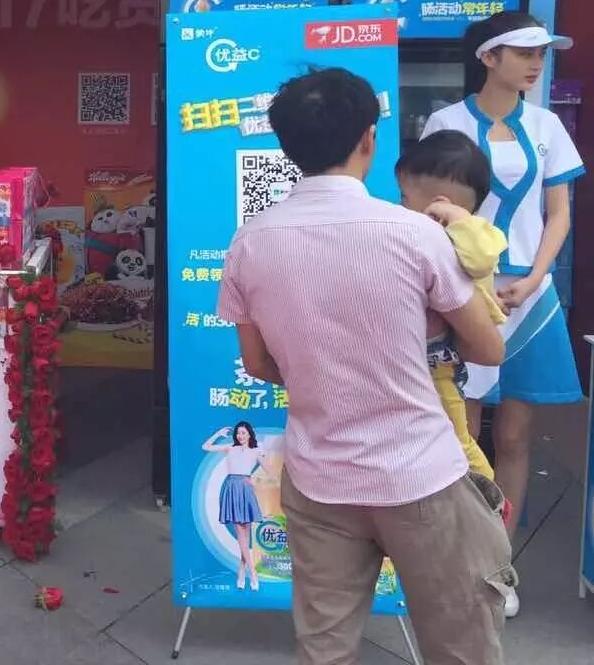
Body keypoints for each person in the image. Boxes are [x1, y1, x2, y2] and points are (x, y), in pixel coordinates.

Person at [218, 67, 513, 665]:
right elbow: (488, 349)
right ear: (369, 139)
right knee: (460, 646)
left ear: (288, 146)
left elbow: (257, 362)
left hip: (319, 478)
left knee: (324, 648)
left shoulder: (249, 243)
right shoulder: (416, 235)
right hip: (421, 475)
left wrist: (324, 370)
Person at [420, 12, 583, 617]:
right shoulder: (447, 122)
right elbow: (431, 207)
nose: (536, 63)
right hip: (464, 290)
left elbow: (559, 212)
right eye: (524, 52)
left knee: (514, 436)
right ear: (488, 58)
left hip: (531, 295)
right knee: (462, 435)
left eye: (541, 53)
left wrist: (536, 276)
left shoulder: (546, 125)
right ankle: (459, 559)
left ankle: (499, 565)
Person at [396, 130, 508, 482]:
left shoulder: (473, 233)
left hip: (440, 363)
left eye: (404, 197)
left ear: (440, 203)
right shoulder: (442, 234)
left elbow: (480, 259)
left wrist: (454, 217)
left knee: (457, 437)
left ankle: (486, 492)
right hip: (433, 357)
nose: (400, 206)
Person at [202, 421, 267, 591]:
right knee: (241, 535)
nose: (240, 436)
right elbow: (205, 447)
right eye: (238, 433)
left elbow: (270, 472)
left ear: (250, 434)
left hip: (246, 490)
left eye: (243, 433)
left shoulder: (256, 451)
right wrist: (218, 434)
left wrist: (255, 482)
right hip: (232, 488)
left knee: (246, 536)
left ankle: (241, 573)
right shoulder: (230, 447)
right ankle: (253, 574)